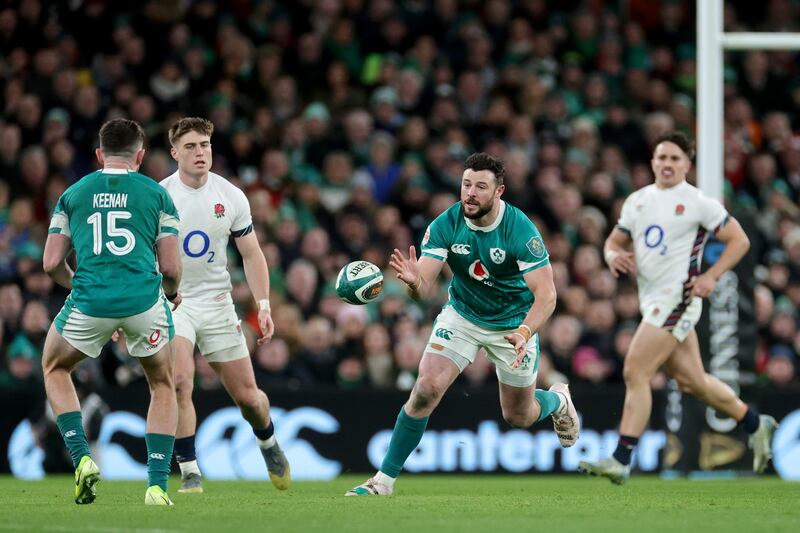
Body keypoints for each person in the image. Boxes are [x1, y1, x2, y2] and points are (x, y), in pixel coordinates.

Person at [346, 152, 580, 496]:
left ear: (499, 192)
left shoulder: (521, 230)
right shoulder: (445, 224)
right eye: (466, 184)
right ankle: (382, 481)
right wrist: (413, 284)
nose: (470, 193)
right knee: (425, 389)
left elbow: (547, 295)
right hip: (463, 315)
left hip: (514, 324)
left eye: (480, 187)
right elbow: (423, 286)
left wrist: (526, 331)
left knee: (519, 416)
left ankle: (558, 401)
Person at [579, 132, 778, 484]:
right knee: (694, 382)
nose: (667, 164)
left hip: (677, 299)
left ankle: (621, 457)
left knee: (634, 370)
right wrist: (612, 255)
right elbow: (613, 241)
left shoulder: (699, 202)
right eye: (662, 158)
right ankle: (755, 423)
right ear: (653, 162)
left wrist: (712, 276)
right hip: (651, 299)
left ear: (687, 164)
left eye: (675, 158)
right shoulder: (638, 201)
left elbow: (739, 240)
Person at [42, 119, 182, 505]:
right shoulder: (157, 195)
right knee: (162, 385)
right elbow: (169, 269)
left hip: (90, 301)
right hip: (143, 302)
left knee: (55, 368)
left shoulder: (73, 193)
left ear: (100, 155)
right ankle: (156, 486)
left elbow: (51, 262)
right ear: (140, 155)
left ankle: (82, 458)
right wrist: (171, 293)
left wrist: (82, 287)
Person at [160, 117, 289, 494]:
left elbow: (252, 254)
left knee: (249, 399)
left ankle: (267, 441)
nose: (200, 152)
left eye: (205, 145)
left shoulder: (231, 195)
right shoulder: (159, 196)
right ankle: (189, 471)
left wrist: (263, 304)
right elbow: (140, 256)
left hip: (218, 303)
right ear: (174, 153)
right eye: (191, 146)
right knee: (181, 382)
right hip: (173, 301)